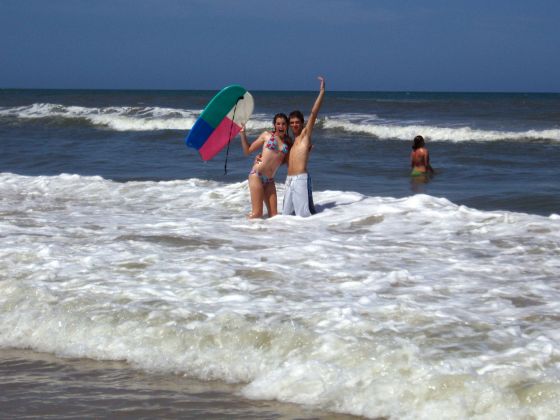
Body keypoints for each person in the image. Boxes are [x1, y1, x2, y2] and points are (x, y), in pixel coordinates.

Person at [282, 76, 325, 217]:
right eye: (292, 122)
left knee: (303, 217)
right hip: (288, 180)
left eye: (297, 122)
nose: (294, 124)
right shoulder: (290, 142)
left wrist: (322, 92)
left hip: (301, 179)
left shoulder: (305, 136)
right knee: (285, 217)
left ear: (302, 123)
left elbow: (314, 113)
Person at [239, 113, 291, 218]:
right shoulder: (266, 135)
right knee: (257, 214)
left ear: (287, 125)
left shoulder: (288, 143)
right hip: (257, 175)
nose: (280, 126)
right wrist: (242, 134)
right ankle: (240, 228)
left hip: (269, 180)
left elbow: (287, 161)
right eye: (278, 124)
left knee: (274, 216)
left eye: (283, 124)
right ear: (274, 125)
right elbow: (247, 150)